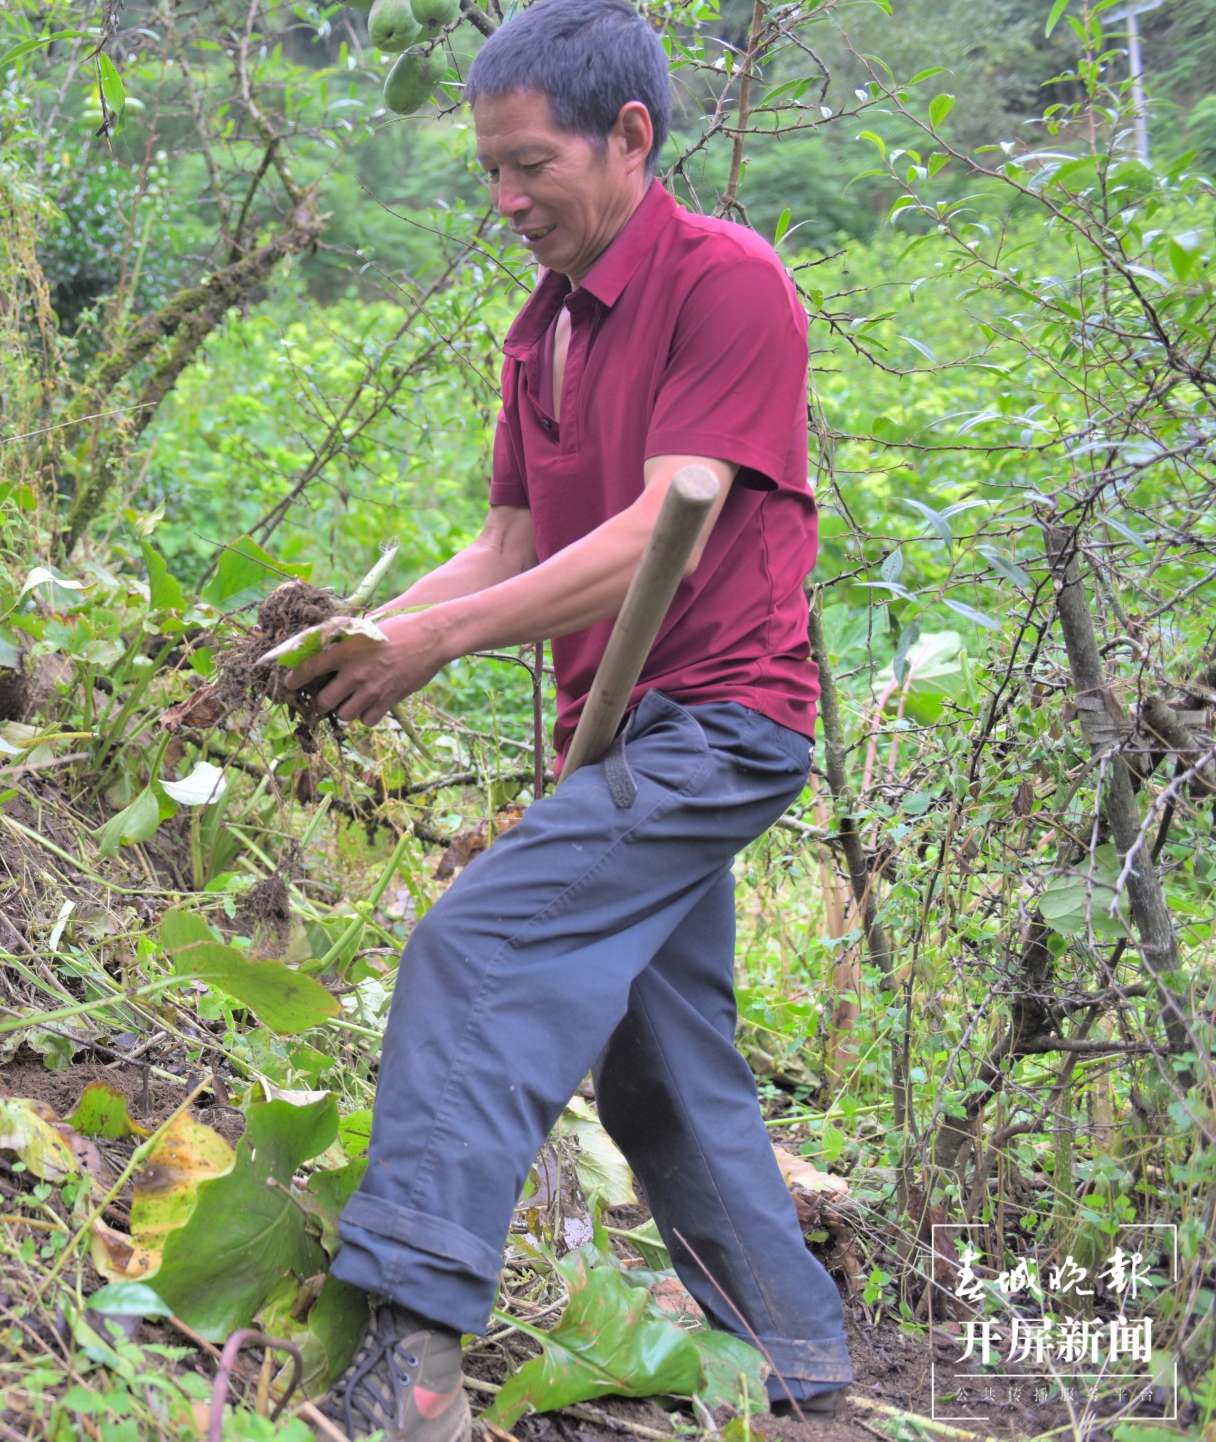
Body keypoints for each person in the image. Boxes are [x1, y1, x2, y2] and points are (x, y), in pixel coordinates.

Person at [281, 3, 857, 1438]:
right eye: (489, 168)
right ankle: (791, 1343)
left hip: (720, 722)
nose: (506, 199)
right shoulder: (537, 335)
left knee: (479, 947)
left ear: (632, 139)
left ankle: (410, 1357)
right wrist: (364, 632)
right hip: (619, 730)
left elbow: (673, 512)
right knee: (660, 1053)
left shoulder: (729, 284)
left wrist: (440, 641)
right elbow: (505, 543)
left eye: (530, 163)